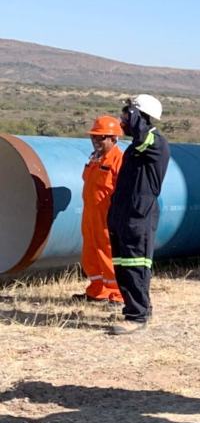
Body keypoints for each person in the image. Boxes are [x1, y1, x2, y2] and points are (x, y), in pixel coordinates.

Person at [107, 94, 170, 335]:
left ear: (139, 116)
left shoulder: (154, 141)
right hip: (124, 215)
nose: (121, 120)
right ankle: (136, 308)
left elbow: (143, 135)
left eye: (126, 114)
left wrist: (134, 111)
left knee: (135, 265)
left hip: (138, 217)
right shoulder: (136, 146)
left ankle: (137, 316)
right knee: (123, 265)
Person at [75, 115, 126, 305]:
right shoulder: (95, 158)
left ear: (113, 139)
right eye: (94, 137)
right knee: (90, 254)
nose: (96, 140)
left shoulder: (119, 160)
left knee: (108, 254)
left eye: (101, 137)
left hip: (107, 217)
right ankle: (97, 291)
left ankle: (117, 295)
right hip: (90, 215)